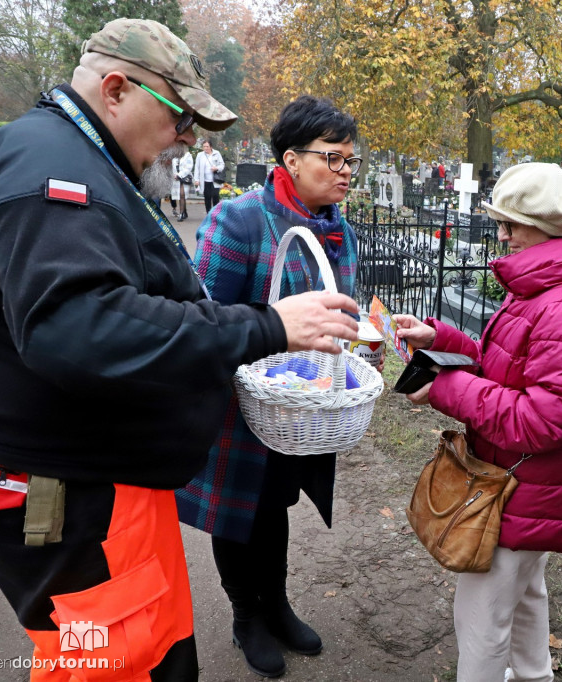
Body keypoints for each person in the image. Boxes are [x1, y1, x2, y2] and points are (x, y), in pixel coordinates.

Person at [0, 18, 359, 681]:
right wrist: (267, 328)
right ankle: (245, 614)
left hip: (90, 474)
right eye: (180, 116)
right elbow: (77, 327)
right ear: (115, 88)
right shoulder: (53, 171)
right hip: (64, 488)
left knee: (156, 646)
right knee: (113, 659)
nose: (186, 137)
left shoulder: (71, 157)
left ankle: (264, 608)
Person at [395, 162, 562, 682]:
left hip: (522, 488)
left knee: (481, 621)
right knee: (524, 593)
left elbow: (541, 420)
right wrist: (441, 341)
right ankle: (535, 674)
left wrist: (446, 388)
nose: (501, 234)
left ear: (547, 226)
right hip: (529, 488)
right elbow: (508, 368)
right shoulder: (548, 286)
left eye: (511, 224)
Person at [176, 94, 363, 678]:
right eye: (332, 157)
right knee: (240, 509)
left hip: (300, 409)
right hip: (241, 403)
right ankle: (244, 615)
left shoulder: (338, 232)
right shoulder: (240, 219)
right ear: (290, 158)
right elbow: (205, 314)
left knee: (276, 502)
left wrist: (366, 335)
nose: (344, 171)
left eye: (351, 161)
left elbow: (343, 315)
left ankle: (276, 604)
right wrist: (271, 341)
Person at [194, 137, 225, 211]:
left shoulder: (216, 153)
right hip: (205, 180)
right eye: (204, 146)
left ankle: (216, 213)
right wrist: (196, 179)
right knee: (207, 197)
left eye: (207, 146)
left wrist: (216, 168)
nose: (206, 148)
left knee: (215, 196)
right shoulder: (200, 155)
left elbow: (222, 165)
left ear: (211, 147)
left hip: (215, 180)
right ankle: (208, 213)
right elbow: (197, 168)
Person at [171, 145, 193, 221]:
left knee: (182, 195)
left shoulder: (188, 155)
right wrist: (175, 174)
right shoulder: (175, 157)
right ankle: (184, 212)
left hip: (184, 177)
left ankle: (181, 214)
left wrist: (180, 175)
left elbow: (189, 167)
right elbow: (173, 167)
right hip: (176, 179)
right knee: (180, 196)